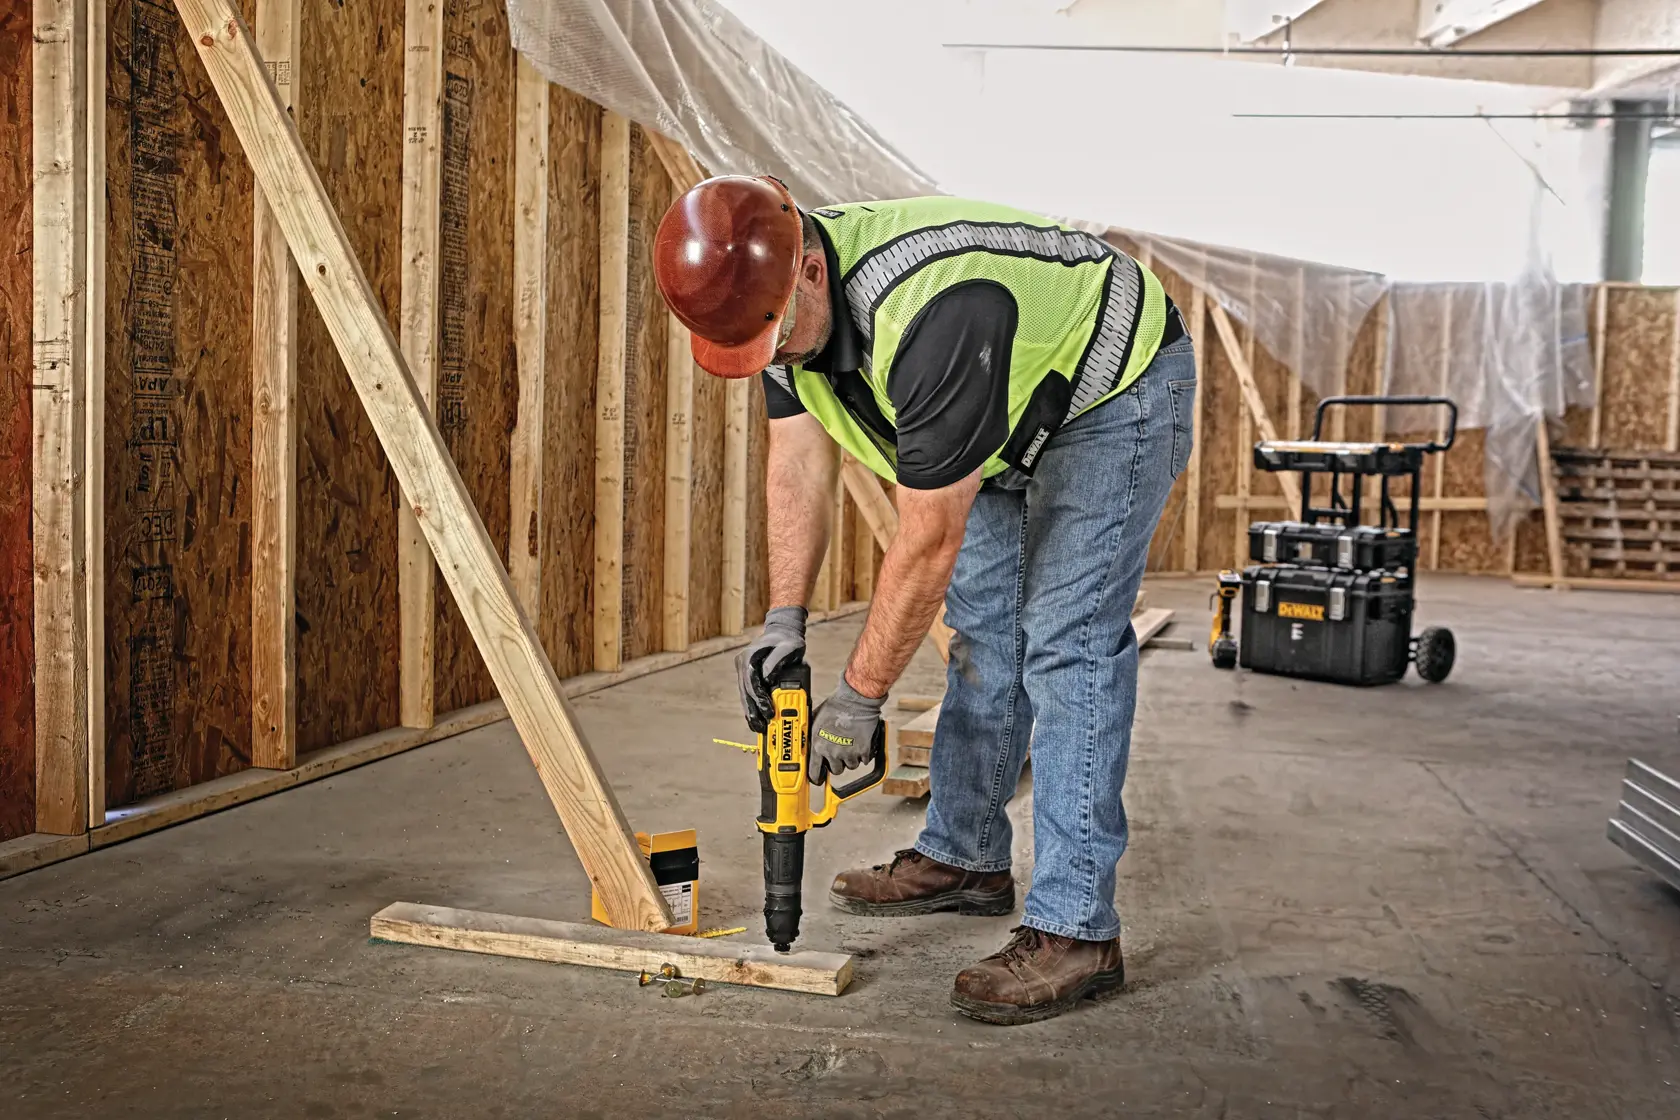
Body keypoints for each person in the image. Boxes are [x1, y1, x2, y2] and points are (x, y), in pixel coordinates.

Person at [652, 175, 1195, 1025]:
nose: (776, 359)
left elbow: (928, 539)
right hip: (1004, 408)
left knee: (1066, 641)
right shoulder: (772, 313)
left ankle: (1077, 932)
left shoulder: (932, 311)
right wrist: (782, 619)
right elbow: (797, 464)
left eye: (776, 338)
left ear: (810, 272)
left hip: (1110, 388)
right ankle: (967, 856)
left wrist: (859, 697)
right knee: (983, 634)